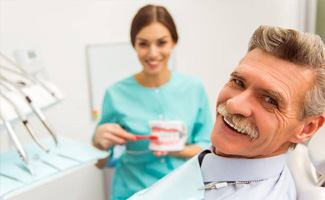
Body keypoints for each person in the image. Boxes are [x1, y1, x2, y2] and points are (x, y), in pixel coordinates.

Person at [128, 25, 325, 200]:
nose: (233, 105)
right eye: (238, 82)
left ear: (307, 128)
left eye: (270, 100)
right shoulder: (219, 164)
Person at [92, 4, 213, 200]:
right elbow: (100, 163)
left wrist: (178, 149)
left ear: (174, 41)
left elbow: (209, 150)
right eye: (143, 44)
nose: (153, 53)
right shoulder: (116, 94)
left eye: (161, 42)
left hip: (183, 192)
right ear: (134, 45)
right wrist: (98, 142)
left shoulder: (193, 88)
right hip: (132, 192)